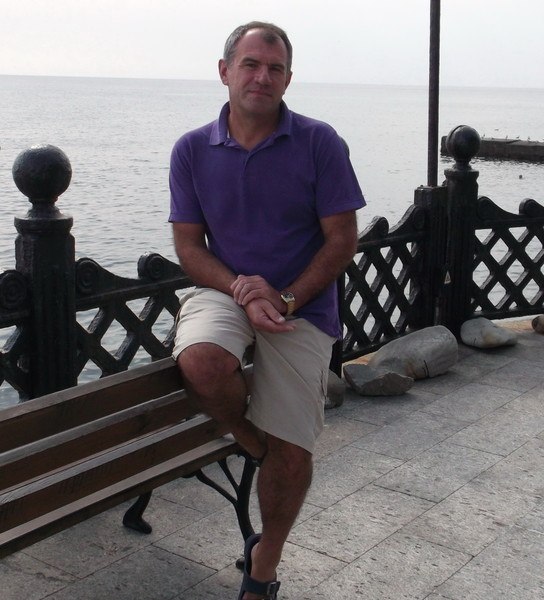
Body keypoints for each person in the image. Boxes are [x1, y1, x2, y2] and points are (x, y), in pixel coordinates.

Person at [169, 21, 365, 600]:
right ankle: (247, 435)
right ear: (225, 71)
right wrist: (243, 290)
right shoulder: (191, 149)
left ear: (288, 79)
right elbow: (188, 248)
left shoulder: (319, 142)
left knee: (293, 449)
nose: (262, 77)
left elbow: (342, 240)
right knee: (201, 361)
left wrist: (284, 298)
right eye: (251, 64)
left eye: (275, 68)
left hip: (301, 305)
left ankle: (264, 562)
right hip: (226, 290)